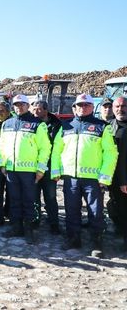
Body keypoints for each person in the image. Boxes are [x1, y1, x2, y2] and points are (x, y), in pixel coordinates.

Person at [51, 94, 118, 258]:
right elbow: (56, 151)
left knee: (96, 212)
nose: (82, 108)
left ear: (91, 107)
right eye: (79, 105)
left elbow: (110, 153)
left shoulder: (102, 127)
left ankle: (97, 242)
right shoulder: (65, 126)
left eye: (86, 105)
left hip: (93, 180)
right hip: (70, 178)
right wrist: (55, 172)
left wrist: (105, 177)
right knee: (71, 210)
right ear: (74, 108)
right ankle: (74, 239)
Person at [0, 95, 51, 244]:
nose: (19, 107)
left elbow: (45, 148)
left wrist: (41, 169)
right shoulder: (7, 124)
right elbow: (1, 146)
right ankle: (16, 227)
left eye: (22, 104)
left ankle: (30, 230)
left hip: (29, 171)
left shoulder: (38, 124)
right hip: (11, 170)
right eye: (16, 105)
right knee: (14, 200)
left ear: (28, 106)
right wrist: (2, 164)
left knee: (29, 201)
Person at [31, 100, 62, 234]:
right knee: (34, 195)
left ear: (46, 110)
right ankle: (36, 219)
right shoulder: (32, 124)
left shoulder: (57, 125)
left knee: (50, 197)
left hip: (49, 167)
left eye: (38, 109)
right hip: (34, 166)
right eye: (34, 109)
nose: (35, 112)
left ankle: (53, 222)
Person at [107, 96, 127, 251]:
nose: (121, 109)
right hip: (114, 177)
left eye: (124, 106)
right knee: (117, 206)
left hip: (125, 177)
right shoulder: (108, 127)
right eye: (117, 106)